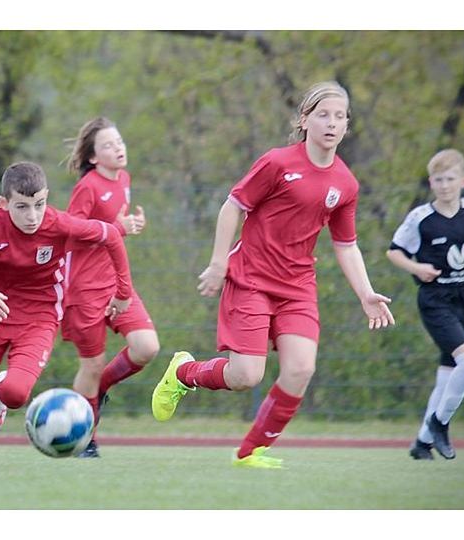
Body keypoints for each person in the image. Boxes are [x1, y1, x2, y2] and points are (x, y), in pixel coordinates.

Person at [150, 81, 395, 469]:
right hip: (250, 278)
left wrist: (365, 293)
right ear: (304, 120)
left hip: (297, 286)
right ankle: (184, 372)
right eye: (323, 115)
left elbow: (346, 244)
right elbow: (233, 206)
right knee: (246, 375)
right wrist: (217, 264)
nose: (332, 123)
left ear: (348, 125)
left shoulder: (346, 184)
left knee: (301, 368)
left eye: (340, 117)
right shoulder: (278, 163)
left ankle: (250, 452)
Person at [0, 161, 133, 472]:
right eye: (22, 207)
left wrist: (123, 292)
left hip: (38, 320)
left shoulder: (57, 223)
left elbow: (110, 236)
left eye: (39, 205)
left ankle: (1, 395)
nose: (33, 216)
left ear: (47, 198)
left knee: (15, 394)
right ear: (4, 204)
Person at [387, 149, 464, 460]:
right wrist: (417, 268)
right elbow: (394, 251)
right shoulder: (420, 218)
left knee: (448, 375)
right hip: (434, 300)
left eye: (450, 179)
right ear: (431, 183)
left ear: (463, 181)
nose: (444, 185)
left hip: (463, 298)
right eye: (438, 180)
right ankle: (440, 423)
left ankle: (422, 443)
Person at [60, 117, 160, 458]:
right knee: (91, 364)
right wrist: (115, 225)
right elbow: (72, 231)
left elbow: (114, 232)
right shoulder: (87, 186)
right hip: (84, 289)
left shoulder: (124, 179)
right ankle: (85, 439)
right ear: (92, 157)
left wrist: (128, 226)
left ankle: (100, 387)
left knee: (146, 347)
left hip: (114, 282)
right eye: (108, 145)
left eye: (119, 141)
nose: (118, 148)